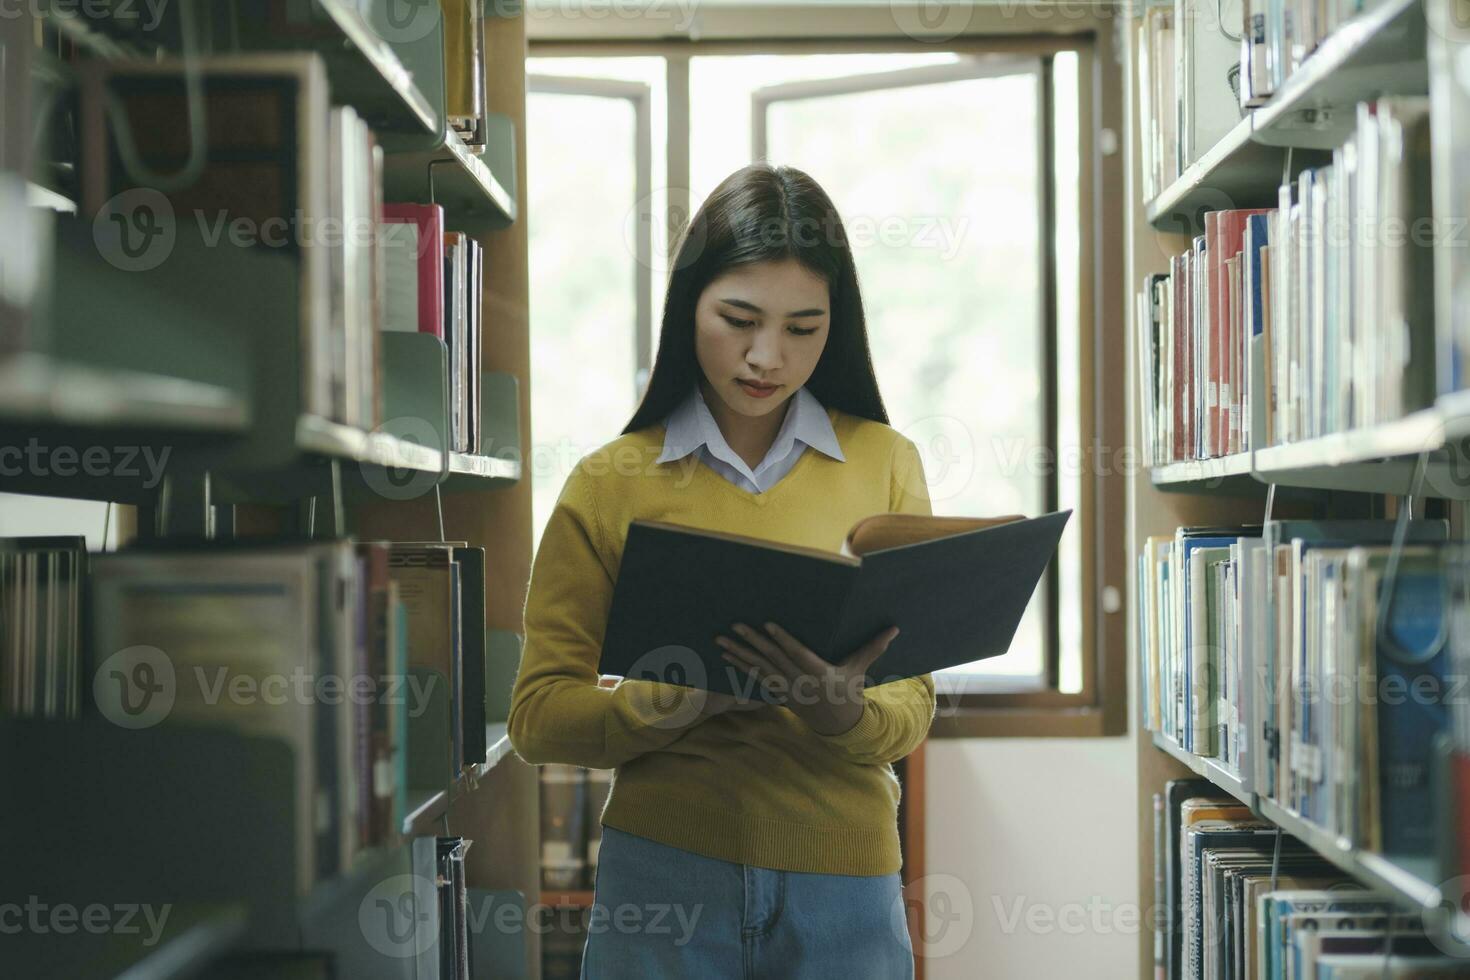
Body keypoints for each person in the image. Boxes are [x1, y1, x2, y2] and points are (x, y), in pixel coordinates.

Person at [507, 162, 935, 979]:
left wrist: (841, 710)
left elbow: (912, 703)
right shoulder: (608, 482)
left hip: (844, 883)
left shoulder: (886, 463)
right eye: (738, 319)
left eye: (803, 328)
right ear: (687, 306)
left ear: (835, 327)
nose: (765, 356)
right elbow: (537, 716)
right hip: (664, 873)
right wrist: (680, 698)